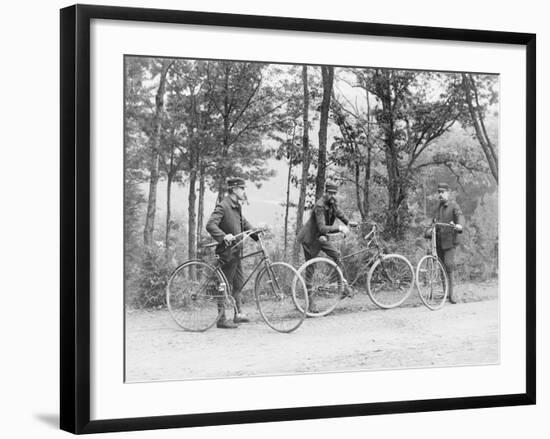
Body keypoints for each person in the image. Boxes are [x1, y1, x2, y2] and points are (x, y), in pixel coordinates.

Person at [297, 181, 357, 313]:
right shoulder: (319, 206)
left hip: (321, 238)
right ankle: (311, 302)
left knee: (337, 255)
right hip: (310, 239)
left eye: (334, 193)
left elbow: (338, 212)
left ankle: (341, 288)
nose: (332, 196)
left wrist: (348, 222)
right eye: (330, 193)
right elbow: (322, 227)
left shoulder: (332, 203)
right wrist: (340, 228)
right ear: (326, 192)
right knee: (310, 269)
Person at [206, 178, 258, 329]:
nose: (244, 191)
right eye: (242, 188)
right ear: (234, 189)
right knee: (223, 285)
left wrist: (257, 233)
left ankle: (238, 314)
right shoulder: (223, 206)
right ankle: (221, 319)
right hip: (227, 252)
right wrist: (223, 236)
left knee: (238, 284)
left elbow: (244, 223)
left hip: (236, 251)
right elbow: (210, 225)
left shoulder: (236, 206)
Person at [426, 182, 465, 304]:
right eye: (439, 192)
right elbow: (433, 222)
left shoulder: (454, 206)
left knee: (448, 265)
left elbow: (460, 216)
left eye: (443, 192)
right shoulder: (438, 207)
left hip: (449, 242)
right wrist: (429, 230)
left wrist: (459, 225)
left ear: (448, 193)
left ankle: (452, 295)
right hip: (438, 242)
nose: (440, 195)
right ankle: (446, 293)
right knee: (442, 266)